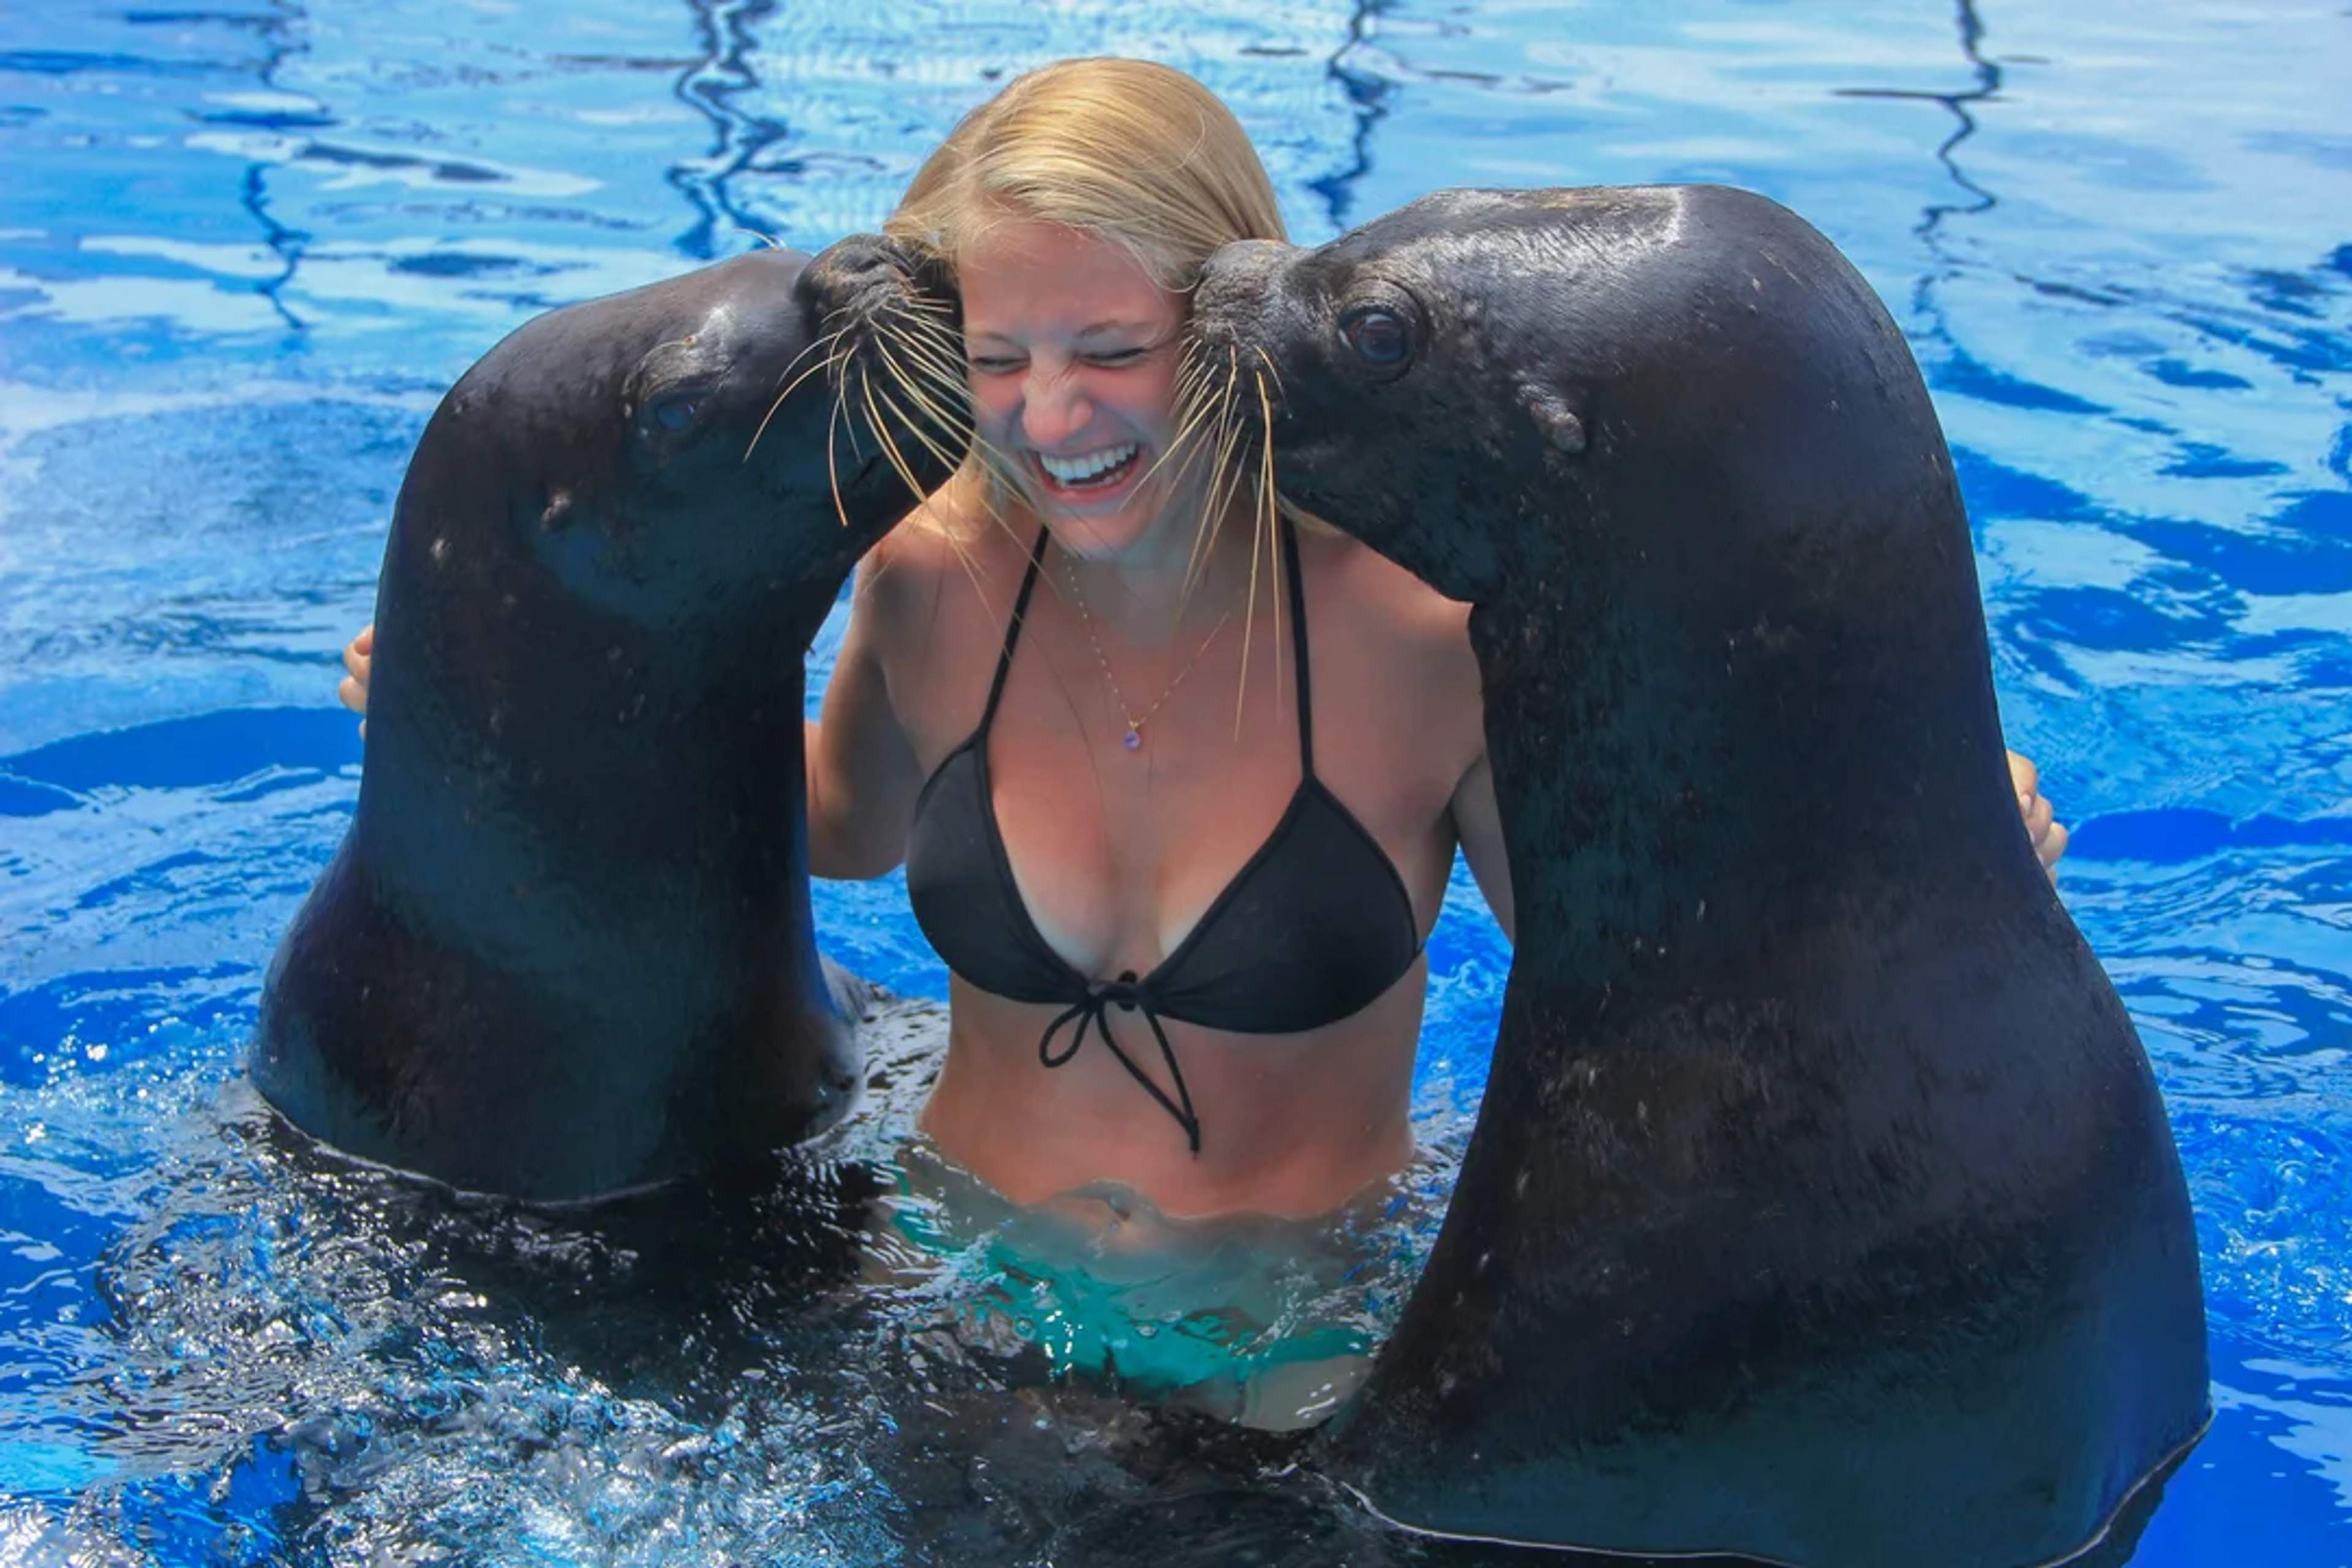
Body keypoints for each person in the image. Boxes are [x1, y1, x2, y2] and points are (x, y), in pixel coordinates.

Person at [334, 57, 2068, 1417]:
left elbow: (1614, 947)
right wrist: (512, 709)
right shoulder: (939, 583)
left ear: (1223, 317)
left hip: (1300, 1344)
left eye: (1113, 347)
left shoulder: (1419, 628)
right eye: (999, 357)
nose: (1052, 416)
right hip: (932, 1294)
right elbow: (838, 827)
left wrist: (1875, 838)